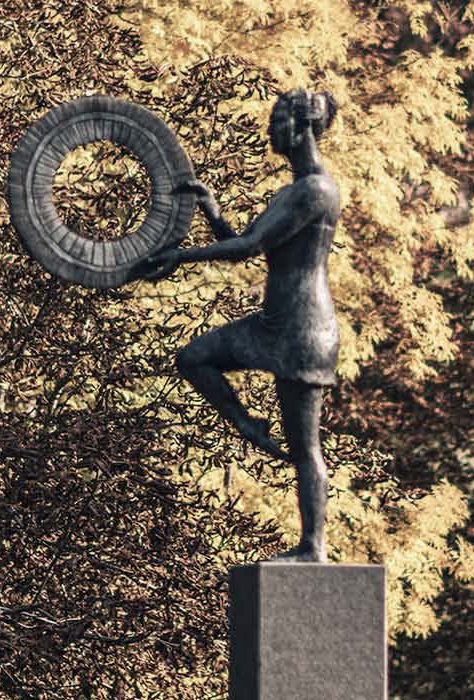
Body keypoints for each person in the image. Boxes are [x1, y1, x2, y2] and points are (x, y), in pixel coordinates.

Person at [136, 89, 341, 562]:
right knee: (194, 358)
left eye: (276, 121)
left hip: (304, 331)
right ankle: (248, 423)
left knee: (306, 446)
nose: (269, 131)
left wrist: (180, 256)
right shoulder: (291, 191)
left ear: (301, 127)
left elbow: (250, 248)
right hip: (274, 325)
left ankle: (314, 547)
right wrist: (212, 212)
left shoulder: (317, 191)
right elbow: (249, 242)